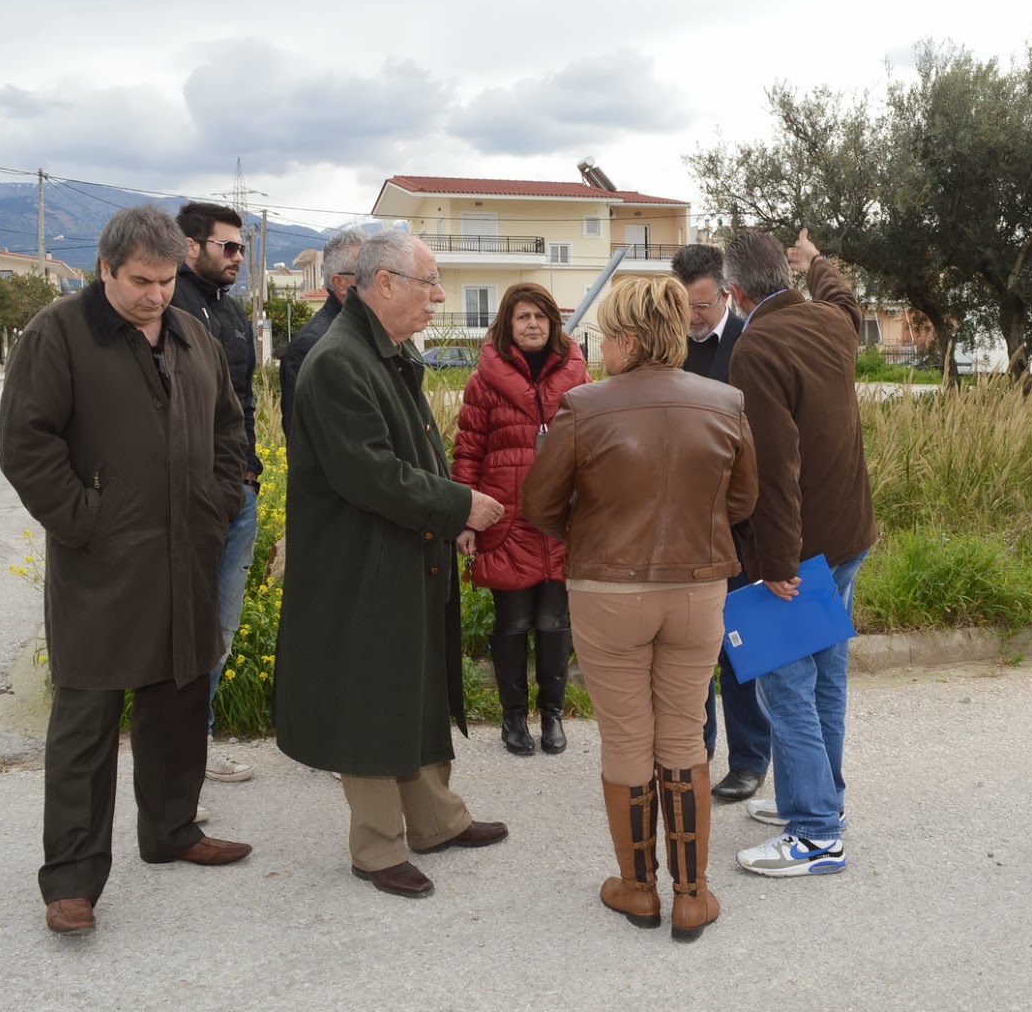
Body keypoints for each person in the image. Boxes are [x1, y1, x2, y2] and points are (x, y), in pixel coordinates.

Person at [0, 206, 253, 936]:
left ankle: (172, 830)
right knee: (87, 721)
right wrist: (87, 521)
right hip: (100, 567)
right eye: (141, 280)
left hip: (185, 556)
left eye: (167, 279)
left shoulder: (189, 333)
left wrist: (213, 508)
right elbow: (26, 443)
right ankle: (72, 882)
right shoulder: (59, 333)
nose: (155, 294)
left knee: (178, 702)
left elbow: (228, 426)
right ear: (104, 269)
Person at [522, 275, 758, 942]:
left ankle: (636, 888)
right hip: (698, 588)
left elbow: (540, 506)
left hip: (609, 592)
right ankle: (692, 895)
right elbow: (741, 503)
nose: (598, 350)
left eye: (603, 338)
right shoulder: (725, 402)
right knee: (683, 733)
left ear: (625, 338)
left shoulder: (582, 406)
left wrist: (595, 537)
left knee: (627, 736)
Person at [275, 230, 510, 899]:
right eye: (428, 283)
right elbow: (371, 475)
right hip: (361, 564)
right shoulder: (339, 362)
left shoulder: (383, 351)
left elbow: (412, 457)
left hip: (401, 551)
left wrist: (447, 517)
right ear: (383, 284)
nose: (439, 297)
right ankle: (377, 849)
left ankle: (436, 819)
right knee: (373, 700)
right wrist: (459, 506)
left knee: (417, 684)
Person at [726, 230, 877, 879]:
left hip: (803, 549)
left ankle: (816, 835)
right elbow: (845, 300)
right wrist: (820, 262)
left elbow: (774, 466)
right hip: (849, 537)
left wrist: (777, 566)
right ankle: (815, 801)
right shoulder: (829, 322)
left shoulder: (756, 345)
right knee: (827, 680)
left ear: (736, 293)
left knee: (788, 688)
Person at [451, 283, 590, 756]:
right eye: (522, 317)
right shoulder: (484, 381)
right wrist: (466, 517)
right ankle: (513, 718)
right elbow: (468, 450)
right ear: (507, 325)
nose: (532, 324)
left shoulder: (578, 376)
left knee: (553, 619)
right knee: (512, 622)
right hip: (505, 519)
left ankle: (552, 714)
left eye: (540, 317)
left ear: (553, 323)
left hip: (558, 519)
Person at [672, 243, 771, 805]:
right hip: (684, 523)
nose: (694, 317)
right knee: (692, 651)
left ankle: (752, 758)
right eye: (685, 307)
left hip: (737, 522)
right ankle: (696, 751)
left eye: (703, 306)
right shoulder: (669, 347)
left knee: (739, 648)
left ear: (727, 295)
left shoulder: (749, 345)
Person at [167, 201, 260, 792]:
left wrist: (247, 477)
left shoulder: (230, 309)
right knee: (186, 634)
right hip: (189, 495)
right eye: (227, 246)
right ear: (190, 245)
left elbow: (243, 403)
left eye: (242, 248)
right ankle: (177, 767)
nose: (238, 257)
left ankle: (194, 750)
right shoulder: (168, 306)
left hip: (238, 490)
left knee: (221, 631)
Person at [280, 227, 368, 439]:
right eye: (366, 271)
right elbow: (307, 434)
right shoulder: (313, 344)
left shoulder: (371, 331)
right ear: (340, 283)